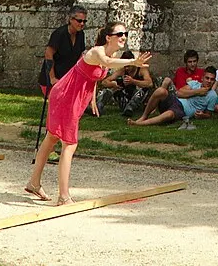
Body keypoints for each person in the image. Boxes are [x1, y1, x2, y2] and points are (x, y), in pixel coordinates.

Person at [24, 21, 151, 205]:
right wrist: (133, 61)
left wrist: (91, 99)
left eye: (125, 33)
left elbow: (92, 76)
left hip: (73, 97)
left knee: (52, 138)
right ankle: (64, 196)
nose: (123, 37)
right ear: (109, 37)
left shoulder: (112, 54)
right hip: (66, 95)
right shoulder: (97, 52)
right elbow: (105, 63)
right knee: (69, 143)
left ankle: (34, 182)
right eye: (120, 34)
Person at [131, 50, 218, 128]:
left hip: (183, 111)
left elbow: (208, 114)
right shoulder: (194, 84)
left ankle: (141, 124)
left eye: (211, 79)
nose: (209, 81)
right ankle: (144, 116)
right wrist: (198, 91)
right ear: (202, 78)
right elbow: (179, 93)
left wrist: (202, 115)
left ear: (214, 81)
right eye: (207, 78)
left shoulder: (213, 95)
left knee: (170, 114)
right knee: (161, 91)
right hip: (176, 101)